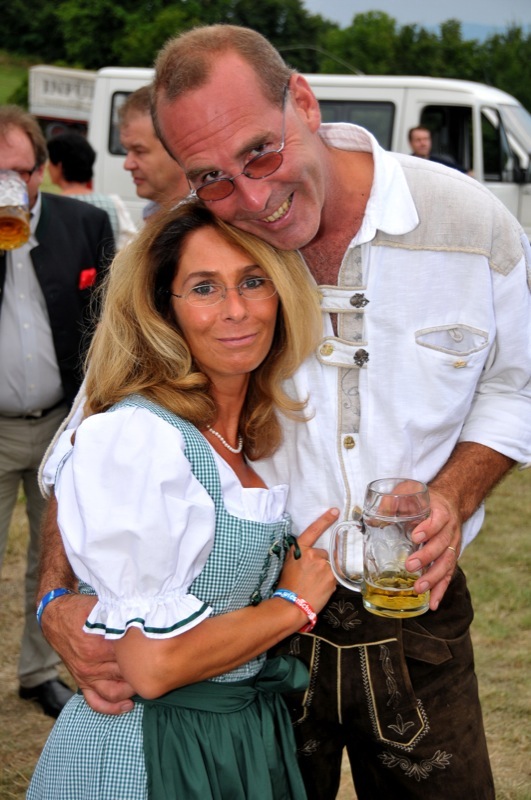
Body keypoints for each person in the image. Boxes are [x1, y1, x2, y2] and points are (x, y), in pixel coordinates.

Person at [37, 24, 531, 799]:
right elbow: (89, 436)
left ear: (301, 99)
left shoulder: (468, 222)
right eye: (211, 176)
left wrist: (453, 494)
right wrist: (55, 599)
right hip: (244, 629)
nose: (252, 198)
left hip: (416, 609)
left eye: (261, 152)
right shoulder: (204, 236)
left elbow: (513, 386)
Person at [28, 200, 338, 799]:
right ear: (162, 310)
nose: (236, 309)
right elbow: (151, 666)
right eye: (204, 288)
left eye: (253, 281)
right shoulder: (139, 436)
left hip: (232, 735)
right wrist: (292, 605)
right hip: (152, 750)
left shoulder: (245, 434)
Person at [0, 105, 114, 719]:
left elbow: (109, 324)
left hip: (62, 427)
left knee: (58, 561)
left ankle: (39, 671)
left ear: (42, 168)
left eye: (20, 172)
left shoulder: (85, 222)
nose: (10, 187)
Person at [47, 130, 137, 250]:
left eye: (50, 162)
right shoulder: (114, 203)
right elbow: (129, 244)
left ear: (59, 166)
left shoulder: (49, 207)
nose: (47, 167)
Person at [118, 84, 189, 220]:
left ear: (178, 149)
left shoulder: (206, 225)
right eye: (127, 150)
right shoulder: (153, 213)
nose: (127, 165)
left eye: (139, 151)